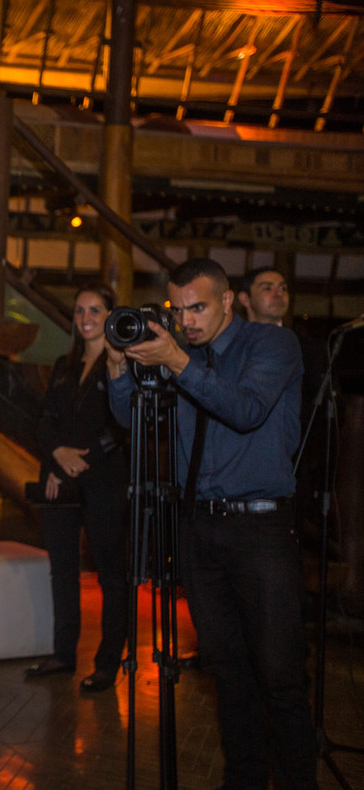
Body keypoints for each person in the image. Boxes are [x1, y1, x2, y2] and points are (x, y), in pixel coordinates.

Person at [106, 258, 316, 789]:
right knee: (228, 672)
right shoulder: (185, 356)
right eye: (179, 309)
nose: (188, 320)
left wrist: (177, 359)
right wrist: (117, 367)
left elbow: (245, 409)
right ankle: (243, 780)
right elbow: (132, 416)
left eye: (198, 307)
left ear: (229, 300)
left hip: (262, 530)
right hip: (199, 528)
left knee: (280, 676)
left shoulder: (270, 345)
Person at [25, 283, 128, 693]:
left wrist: (73, 463)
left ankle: (107, 663)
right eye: (80, 311)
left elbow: (121, 429)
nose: (86, 319)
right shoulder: (63, 364)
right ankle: (63, 654)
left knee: (111, 576)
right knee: (62, 572)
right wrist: (55, 459)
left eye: (96, 311)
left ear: (110, 317)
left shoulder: (122, 366)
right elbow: (45, 421)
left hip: (104, 481)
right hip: (61, 482)